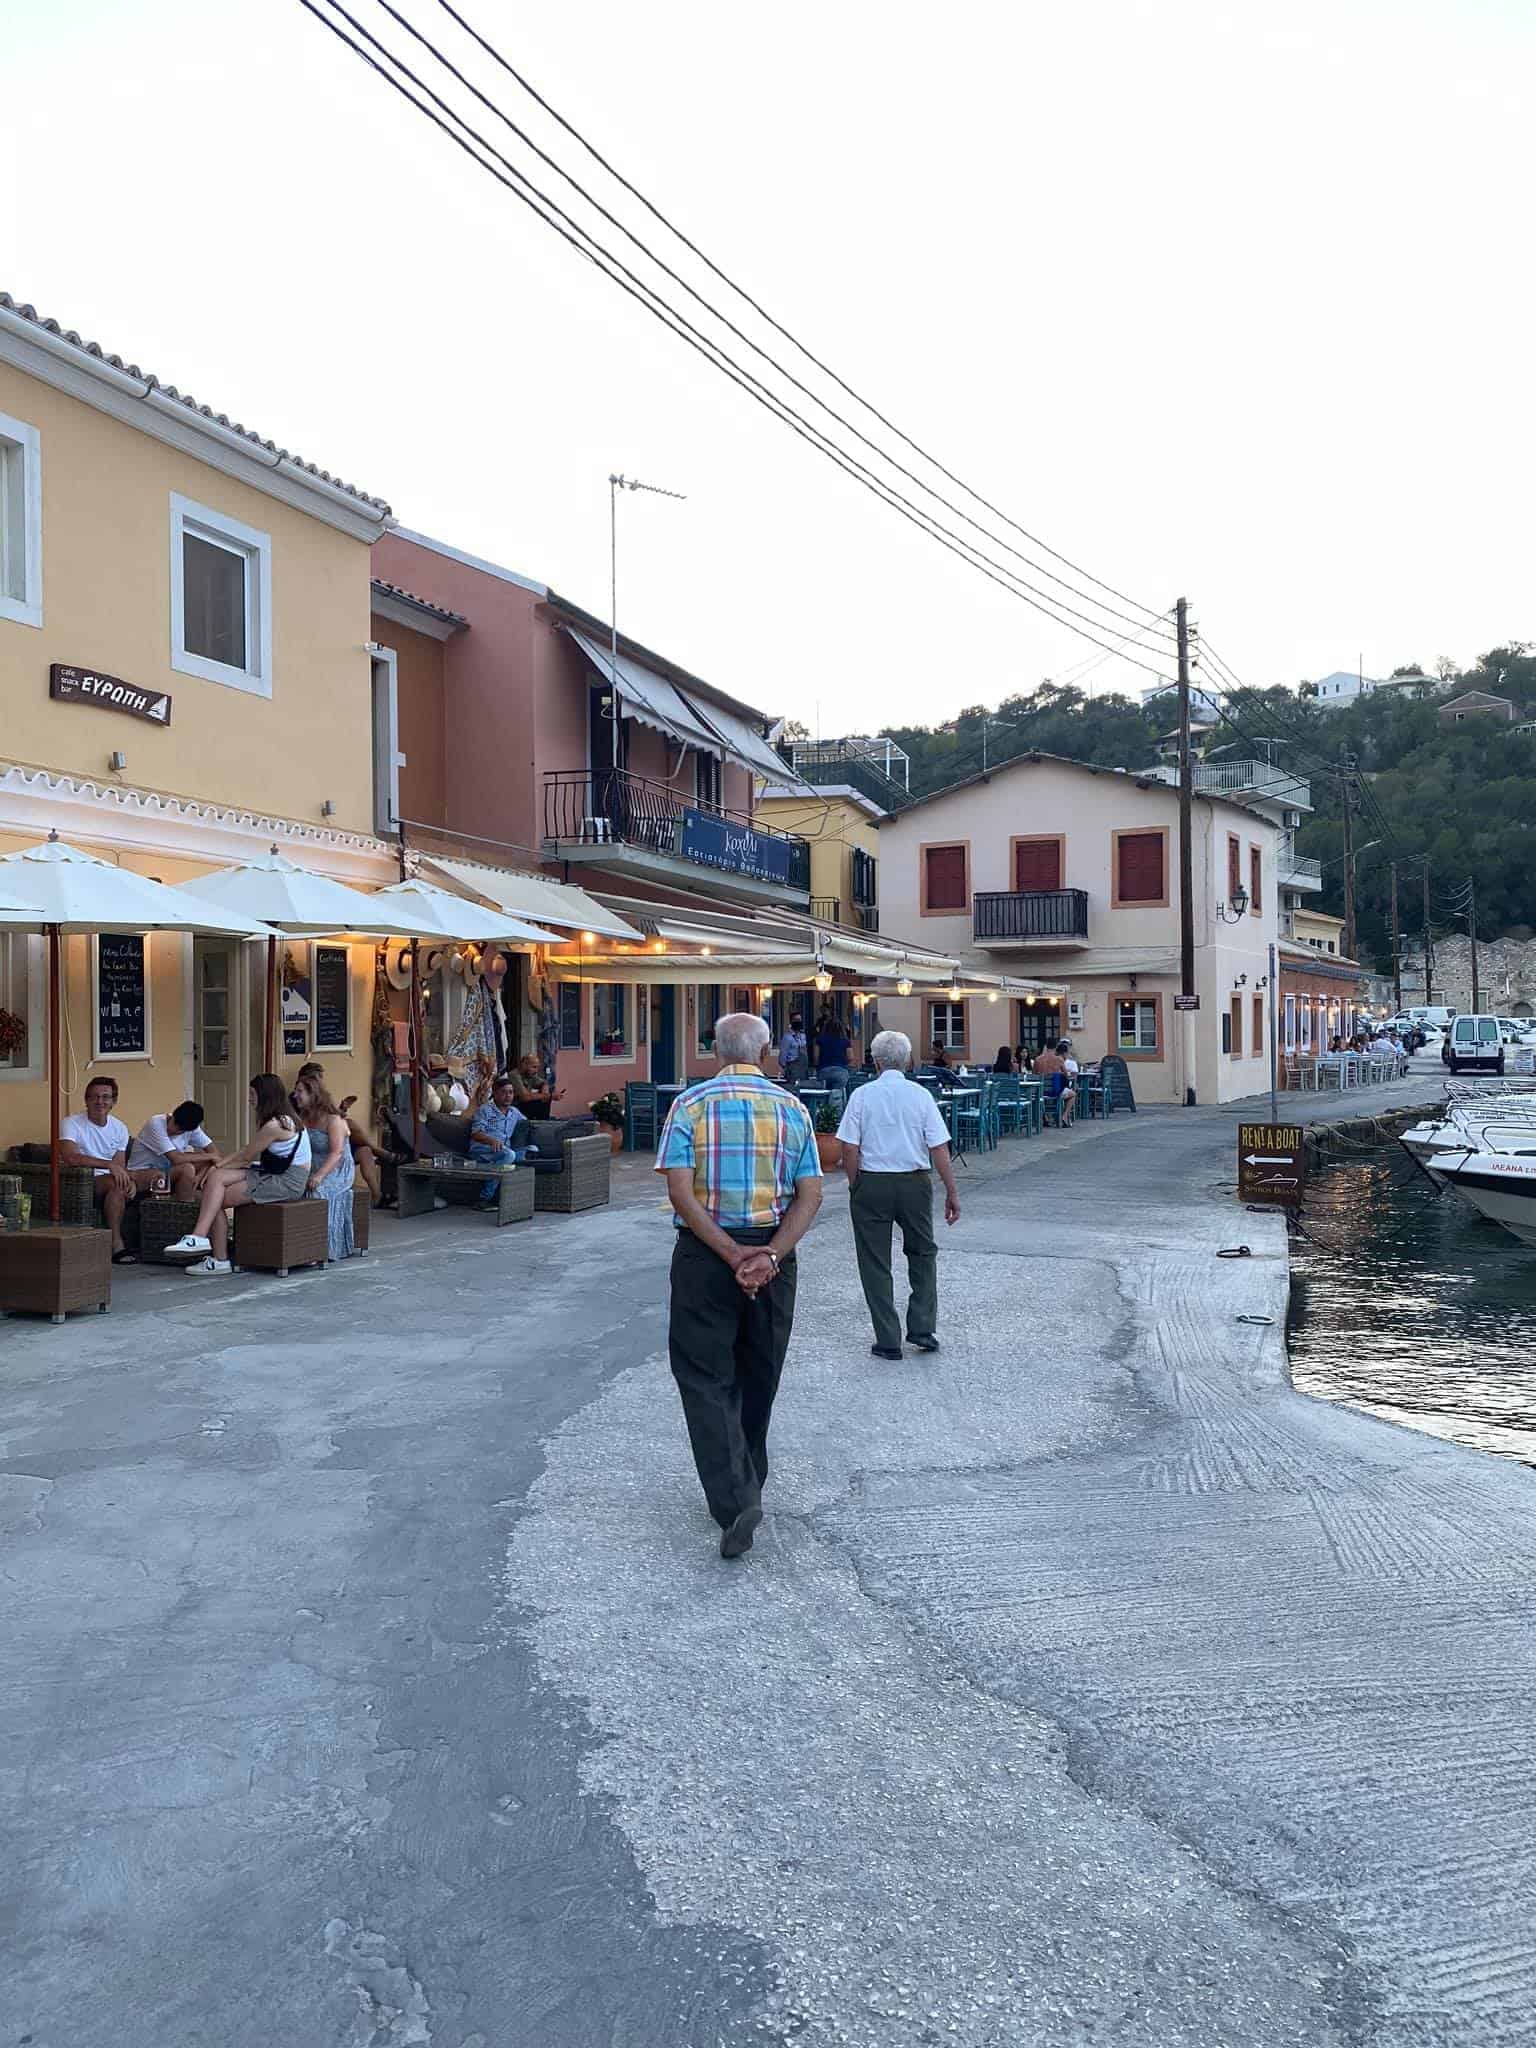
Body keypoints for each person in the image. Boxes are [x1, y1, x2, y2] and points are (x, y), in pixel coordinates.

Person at [656, 1012, 823, 1560]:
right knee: (760, 1368)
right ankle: (748, 1479)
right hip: (773, 1251)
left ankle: (735, 1497)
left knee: (704, 1375)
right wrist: (769, 1254)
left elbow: (681, 1192)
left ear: (714, 1049)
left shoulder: (690, 1105)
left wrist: (730, 1254)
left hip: (707, 1253)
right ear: (767, 1049)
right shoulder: (792, 1107)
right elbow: (811, 1195)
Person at [837, 1030, 960, 1360]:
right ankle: (922, 1327)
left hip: (873, 1180)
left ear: (874, 1061)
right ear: (907, 1060)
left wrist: (855, 1183)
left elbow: (849, 1146)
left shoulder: (862, 1095)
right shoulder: (920, 1095)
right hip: (914, 1182)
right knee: (922, 1253)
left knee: (874, 1260)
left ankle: (887, 1337)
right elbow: (938, 1147)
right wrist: (951, 1190)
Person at [164, 1074, 312, 1275]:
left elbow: (245, 1158)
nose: (249, 1098)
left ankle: (218, 1257)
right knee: (214, 1184)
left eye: (252, 1094)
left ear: (265, 1096)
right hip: (273, 1171)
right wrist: (216, 1167)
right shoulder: (281, 1119)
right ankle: (199, 1239)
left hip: (287, 1181)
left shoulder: (275, 1126)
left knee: (214, 1197)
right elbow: (245, 1150)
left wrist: (215, 1167)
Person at [59, 1076, 142, 1263]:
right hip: (81, 1180)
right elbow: (71, 1157)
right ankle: (117, 1244)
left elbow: (120, 1164)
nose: (100, 1101)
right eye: (94, 1097)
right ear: (86, 1100)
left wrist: (130, 1181)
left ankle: (120, 1245)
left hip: (111, 1181)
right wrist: (109, 1166)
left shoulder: (119, 1127)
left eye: (106, 1097)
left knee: (152, 1178)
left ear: (114, 1101)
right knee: (117, 1183)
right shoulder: (71, 1123)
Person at [297, 1062, 384, 1204]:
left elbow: (335, 1145)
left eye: (320, 1077)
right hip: (313, 1159)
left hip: (334, 1160)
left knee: (365, 1151)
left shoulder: (327, 1111)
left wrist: (342, 1109)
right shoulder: (297, 1101)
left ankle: (377, 1196)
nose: (320, 1081)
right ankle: (379, 1151)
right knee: (349, 1125)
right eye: (317, 1077)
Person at [293, 1073, 355, 1260]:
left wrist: (319, 1175)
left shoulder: (333, 1120)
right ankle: (299, 1248)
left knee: (316, 1192)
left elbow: (336, 1153)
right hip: (311, 1166)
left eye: (300, 1091)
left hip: (336, 1168)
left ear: (314, 1094)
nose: (296, 1095)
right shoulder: (302, 1117)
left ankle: (322, 1249)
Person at [127, 1101, 220, 1201]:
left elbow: (215, 1154)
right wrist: (210, 1156)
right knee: (187, 1168)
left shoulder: (193, 1129)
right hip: (140, 1173)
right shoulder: (156, 1123)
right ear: (173, 1115)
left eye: (179, 1129)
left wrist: (199, 1175)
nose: (173, 1129)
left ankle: (184, 1203)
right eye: (174, 1122)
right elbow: (176, 1158)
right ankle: (185, 1207)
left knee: (207, 1166)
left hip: (167, 1172)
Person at [468, 1072, 531, 1206]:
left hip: (503, 1151)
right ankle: (484, 1198)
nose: (508, 1096)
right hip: (483, 1151)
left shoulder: (514, 1112)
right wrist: (492, 1141)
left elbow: (528, 1125)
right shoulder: (484, 1110)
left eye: (511, 1092)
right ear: (495, 1093)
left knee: (532, 1151)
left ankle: (511, 1193)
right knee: (509, 1155)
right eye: (504, 1092)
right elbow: (476, 1133)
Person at [1032, 1039, 1078, 1126]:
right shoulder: (1059, 1059)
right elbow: (1066, 1076)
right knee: (1073, 1094)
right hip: (1055, 1091)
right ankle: (1064, 1116)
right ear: (1056, 1047)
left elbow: (1033, 1075)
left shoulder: (1037, 1059)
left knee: (1041, 1095)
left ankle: (1045, 1116)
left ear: (1046, 1046)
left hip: (1041, 1092)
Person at [510, 1051, 563, 1122]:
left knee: (545, 1095)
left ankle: (543, 1121)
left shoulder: (530, 1075)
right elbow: (525, 1097)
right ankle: (541, 1122)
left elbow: (544, 1083)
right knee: (545, 1097)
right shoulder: (514, 1075)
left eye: (537, 1067)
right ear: (524, 1065)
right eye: (534, 1067)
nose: (536, 1071)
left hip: (524, 1106)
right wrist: (548, 1095)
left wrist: (545, 1092)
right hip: (515, 1107)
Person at [813, 1011, 853, 1094]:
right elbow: (850, 1057)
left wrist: (818, 1065)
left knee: (823, 1095)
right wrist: (843, 1062)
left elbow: (816, 1057)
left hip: (824, 1070)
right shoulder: (845, 1041)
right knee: (837, 1096)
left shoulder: (820, 1040)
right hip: (840, 1071)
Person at [778, 1013, 809, 1087]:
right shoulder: (787, 1037)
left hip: (804, 1070)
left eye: (800, 1020)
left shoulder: (803, 1036)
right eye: (796, 1020)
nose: (799, 1022)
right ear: (791, 1022)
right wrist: (787, 1069)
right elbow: (782, 1057)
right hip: (792, 1071)